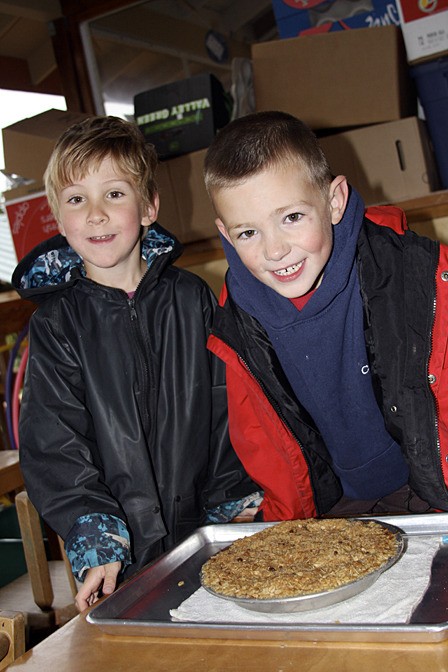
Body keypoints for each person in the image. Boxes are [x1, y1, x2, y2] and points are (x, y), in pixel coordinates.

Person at [12, 115, 258, 611]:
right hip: (116, 553)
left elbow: (229, 404)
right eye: (77, 199)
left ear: (149, 206)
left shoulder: (192, 299)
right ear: (59, 218)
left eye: (115, 195)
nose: (96, 215)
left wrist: (235, 498)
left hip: (204, 533)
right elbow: (54, 442)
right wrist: (95, 532)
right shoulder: (57, 324)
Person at [203, 110, 448, 522]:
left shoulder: (413, 273)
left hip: (427, 484)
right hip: (331, 507)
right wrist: (284, 518)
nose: (275, 250)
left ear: (334, 202)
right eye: (248, 232)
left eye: (292, 217)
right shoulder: (237, 319)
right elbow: (259, 437)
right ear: (226, 234)